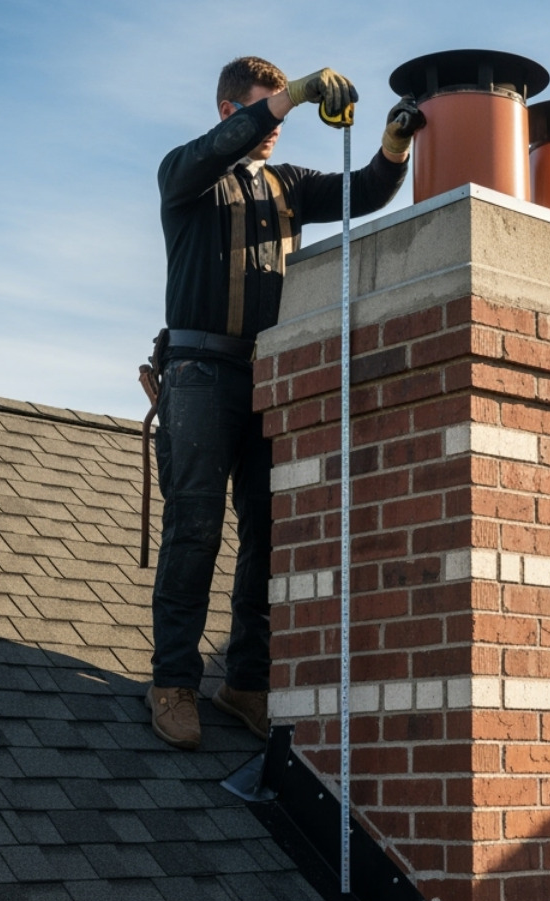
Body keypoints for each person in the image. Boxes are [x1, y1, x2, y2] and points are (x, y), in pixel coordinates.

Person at [148, 56, 422, 750]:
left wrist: (396, 144)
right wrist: (293, 96)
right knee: (196, 529)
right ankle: (174, 683)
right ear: (228, 108)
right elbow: (224, 147)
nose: (276, 123)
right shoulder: (187, 175)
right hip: (198, 374)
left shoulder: (290, 185)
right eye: (263, 108)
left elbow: (366, 192)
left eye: (281, 106)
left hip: (268, 376)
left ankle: (246, 683)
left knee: (269, 536)